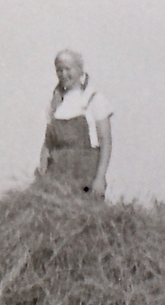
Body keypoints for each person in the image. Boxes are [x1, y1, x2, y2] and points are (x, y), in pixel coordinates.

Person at [37, 49, 113, 197]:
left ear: (79, 69)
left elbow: (106, 141)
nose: (63, 74)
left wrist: (100, 177)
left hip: (85, 175)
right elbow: (47, 144)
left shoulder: (93, 99)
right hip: (56, 175)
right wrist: (42, 172)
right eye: (59, 70)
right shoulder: (55, 103)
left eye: (67, 69)